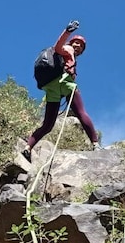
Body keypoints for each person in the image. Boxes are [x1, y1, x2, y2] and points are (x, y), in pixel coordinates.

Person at [22, 20, 100, 162]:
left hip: (51, 87)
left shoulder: (64, 56)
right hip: (65, 83)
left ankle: (28, 147)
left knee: (47, 125)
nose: (78, 46)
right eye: (76, 43)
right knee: (81, 112)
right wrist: (68, 31)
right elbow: (58, 47)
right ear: (72, 43)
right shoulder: (67, 49)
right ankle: (95, 144)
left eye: (81, 46)